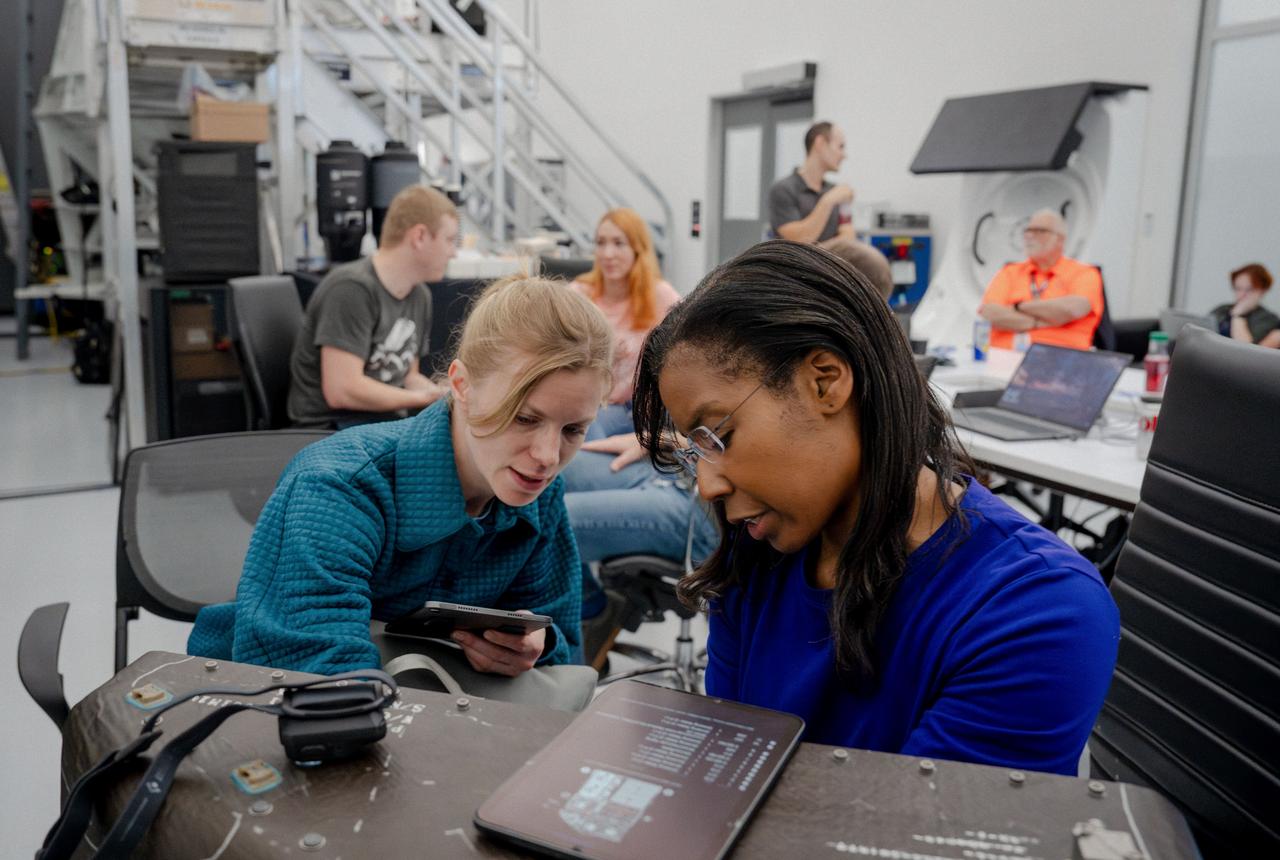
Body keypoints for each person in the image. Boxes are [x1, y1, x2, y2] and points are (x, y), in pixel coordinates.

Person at [631, 240, 1119, 776]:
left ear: (826, 381)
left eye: (719, 434)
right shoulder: (755, 558)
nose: (706, 485)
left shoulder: (1036, 612)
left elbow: (913, 839)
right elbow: (728, 779)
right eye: (695, 450)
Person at [188, 276, 614, 676]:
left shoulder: (541, 494)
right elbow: (320, 674)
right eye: (523, 418)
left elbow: (562, 659)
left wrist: (532, 649)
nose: (547, 456)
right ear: (461, 386)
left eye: (573, 429)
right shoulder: (338, 486)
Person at [288, 184, 459, 429]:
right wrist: (425, 398)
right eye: (450, 240)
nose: (453, 253)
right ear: (419, 236)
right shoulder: (351, 289)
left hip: (379, 422)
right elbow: (341, 390)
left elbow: (407, 376)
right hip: (330, 428)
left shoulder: (419, 295)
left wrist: (440, 394)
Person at [568, 208, 680, 440]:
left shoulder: (661, 295)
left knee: (586, 440)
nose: (608, 254)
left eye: (619, 243)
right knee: (583, 432)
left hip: (640, 412)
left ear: (637, 249)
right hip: (589, 404)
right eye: (601, 243)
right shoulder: (579, 294)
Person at [978, 209, 1103, 351]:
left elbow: (1072, 309)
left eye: (1040, 231)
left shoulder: (1084, 273)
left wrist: (1017, 307)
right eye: (1028, 230)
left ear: (1060, 239)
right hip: (1004, 358)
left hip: (1058, 359)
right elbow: (990, 313)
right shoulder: (1010, 272)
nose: (1030, 236)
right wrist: (1039, 322)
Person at [767, 121, 855, 245]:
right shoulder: (782, 190)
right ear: (820, 143)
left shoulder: (836, 191)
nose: (844, 155)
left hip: (828, 264)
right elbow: (799, 241)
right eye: (840, 146)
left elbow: (848, 239)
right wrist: (828, 201)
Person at [1210, 263, 1280, 348]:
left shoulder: (1268, 319)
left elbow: (1245, 349)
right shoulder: (1222, 309)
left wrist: (1238, 315)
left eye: (1249, 290)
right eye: (1238, 289)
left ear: (1262, 291)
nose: (1242, 295)